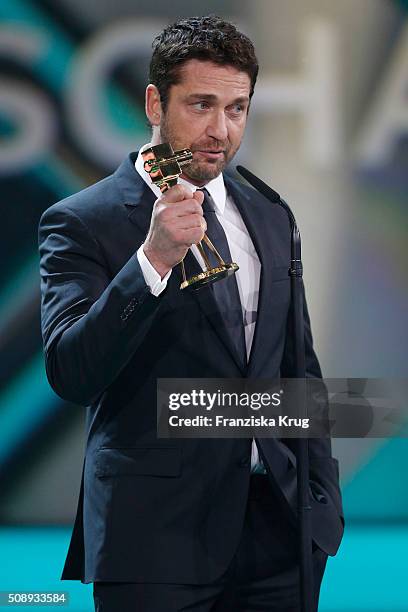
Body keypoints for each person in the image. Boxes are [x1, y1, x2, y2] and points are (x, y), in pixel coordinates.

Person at [38, 15, 344, 611]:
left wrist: (318, 497)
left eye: (237, 108)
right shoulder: (82, 221)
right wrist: (150, 260)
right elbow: (70, 372)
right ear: (155, 101)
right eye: (201, 104)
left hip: (280, 535)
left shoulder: (271, 215)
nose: (220, 129)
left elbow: (298, 369)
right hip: (155, 539)